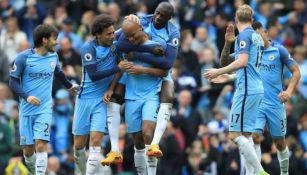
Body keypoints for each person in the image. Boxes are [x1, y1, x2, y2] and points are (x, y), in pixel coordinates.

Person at [215, 21, 301, 175]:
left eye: (259, 34)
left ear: (266, 32)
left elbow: (296, 72)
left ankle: (284, 172)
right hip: (258, 102)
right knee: (254, 136)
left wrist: (288, 91)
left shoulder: (279, 50)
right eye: (254, 36)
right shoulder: (250, 50)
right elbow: (225, 61)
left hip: (275, 103)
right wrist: (228, 44)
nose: (256, 38)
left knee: (280, 143)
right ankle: (256, 172)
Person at [102, 1, 179, 166]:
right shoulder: (141, 20)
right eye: (157, 13)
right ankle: (114, 149)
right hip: (131, 77)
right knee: (115, 99)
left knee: (168, 92)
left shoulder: (172, 33)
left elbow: (167, 63)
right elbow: (118, 42)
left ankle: (156, 142)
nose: (157, 17)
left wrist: (136, 56)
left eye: (162, 16)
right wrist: (147, 51)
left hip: (154, 78)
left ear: (170, 18)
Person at [204, 5, 268, 175]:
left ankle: (260, 171)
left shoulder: (245, 36)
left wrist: (218, 72)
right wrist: (227, 43)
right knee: (246, 136)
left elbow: (242, 62)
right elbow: (226, 61)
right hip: (255, 88)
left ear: (235, 19)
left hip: (246, 90)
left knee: (234, 135)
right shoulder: (256, 37)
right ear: (252, 20)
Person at [9, 24, 79, 175]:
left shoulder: (54, 56)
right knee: (28, 151)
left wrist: (69, 86)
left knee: (41, 145)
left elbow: (58, 72)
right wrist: (27, 97)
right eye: (55, 39)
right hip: (26, 110)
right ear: (44, 40)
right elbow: (12, 81)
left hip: (44, 108)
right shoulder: (23, 57)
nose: (57, 42)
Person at [72, 14, 127, 175]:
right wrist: (118, 68)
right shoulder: (88, 48)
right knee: (79, 147)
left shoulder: (115, 42)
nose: (112, 36)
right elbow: (94, 74)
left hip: (102, 101)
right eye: (108, 34)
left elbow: (120, 67)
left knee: (96, 142)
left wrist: (111, 88)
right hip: (84, 99)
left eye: (112, 32)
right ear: (98, 34)